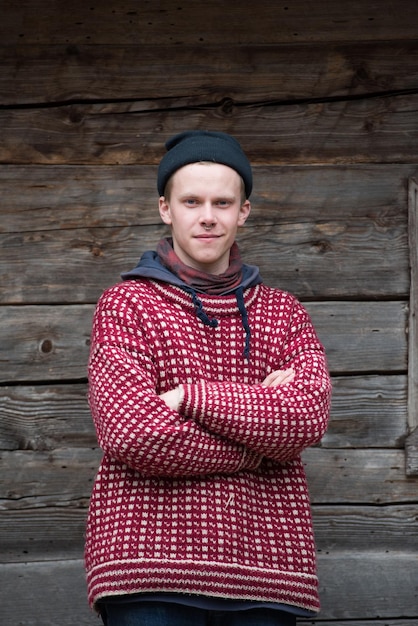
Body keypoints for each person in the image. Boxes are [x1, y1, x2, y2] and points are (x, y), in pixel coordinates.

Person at [84, 130, 332, 626]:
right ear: (164, 208)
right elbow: (133, 435)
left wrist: (187, 397)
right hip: (147, 568)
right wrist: (258, 442)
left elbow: (305, 418)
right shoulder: (126, 305)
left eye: (223, 202)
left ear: (243, 211)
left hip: (265, 569)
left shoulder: (283, 312)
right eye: (191, 201)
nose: (207, 216)